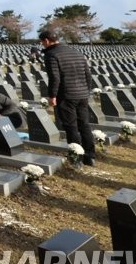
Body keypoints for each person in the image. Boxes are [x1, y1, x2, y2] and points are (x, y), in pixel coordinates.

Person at [40, 28, 95, 166]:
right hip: (82, 94)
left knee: (71, 127)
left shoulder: (51, 55)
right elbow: (88, 75)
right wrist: (86, 90)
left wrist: (52, 95)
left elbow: (54, 77)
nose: (43, 45)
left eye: (42, 43)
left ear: (46, 40)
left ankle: (76, 157)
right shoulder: (76, 52)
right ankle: (90, 156)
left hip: (66, 95)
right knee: (84, 125)